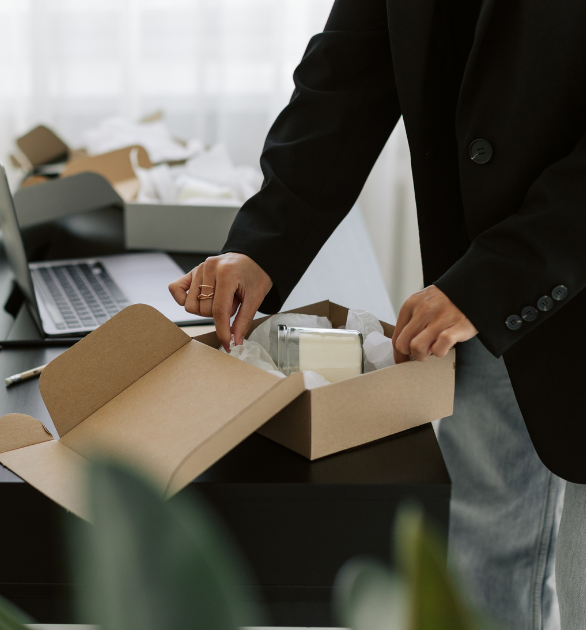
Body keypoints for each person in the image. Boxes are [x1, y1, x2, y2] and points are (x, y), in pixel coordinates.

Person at [169, 0, 586, 628]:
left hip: (528, 274)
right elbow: (347, 72)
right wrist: (261, 245)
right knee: (477, 574)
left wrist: (495, 280)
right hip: (476, 303)